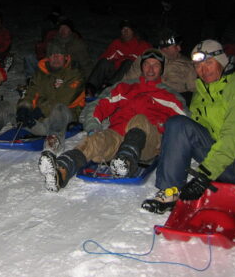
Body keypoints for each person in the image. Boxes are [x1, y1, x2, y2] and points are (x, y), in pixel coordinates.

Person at [141, 39, 235, 237]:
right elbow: (195, 136)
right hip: (222, 164)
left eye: (209, 63)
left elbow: (234, 133)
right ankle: (169, 192)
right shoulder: (200, 93)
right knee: (178, 123)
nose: (204, 69)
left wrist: (204, 174)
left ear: (221, 61)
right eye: (199, 65)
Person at [38, 48, 187, 191]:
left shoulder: (170, 95)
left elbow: (186, 124)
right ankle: (62, 169)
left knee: (139, 119)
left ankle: (126, 161)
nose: (150, 69)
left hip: (148, 142)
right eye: (147, 64)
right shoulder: (125, 87)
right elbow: (99, 104)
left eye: (156, 65)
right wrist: (93, 127)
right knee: (97, 138)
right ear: (141, 67)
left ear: (162, 69)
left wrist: (168, 141)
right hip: (119, 136)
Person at [0, 40, 85, 153]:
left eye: (59, 54)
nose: (56, 57)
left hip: (60, 120)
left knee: (60, 108)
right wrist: (24, 109)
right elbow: (31, 92)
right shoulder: (41, 73)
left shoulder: (74, 74)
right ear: (48, 56)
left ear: (66, 56)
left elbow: (64, 98)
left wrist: (38, 111)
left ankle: (53, 144)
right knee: (5, 105)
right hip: (36, 121)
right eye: (53, 54)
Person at [121, 28, 197, 105]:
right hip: (146, 99)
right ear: (165, 48)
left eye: (180, 45)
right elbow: (126, 82)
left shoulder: (187, 64)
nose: (179, 49)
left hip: (174, 102)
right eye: (176, 46)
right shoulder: (147, 58)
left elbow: (194, 90)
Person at [86, 19, 151, 98]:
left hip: (130, 77)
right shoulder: (117, 43)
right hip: (115, 73)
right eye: (123, 29)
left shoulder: (143, 45)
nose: (125, 31)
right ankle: (90, 88)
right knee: (104, 62)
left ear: (133, 31)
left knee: (128, 62)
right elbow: (104, 58)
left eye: (128, 29)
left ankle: (109, 89)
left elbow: (148, 63)